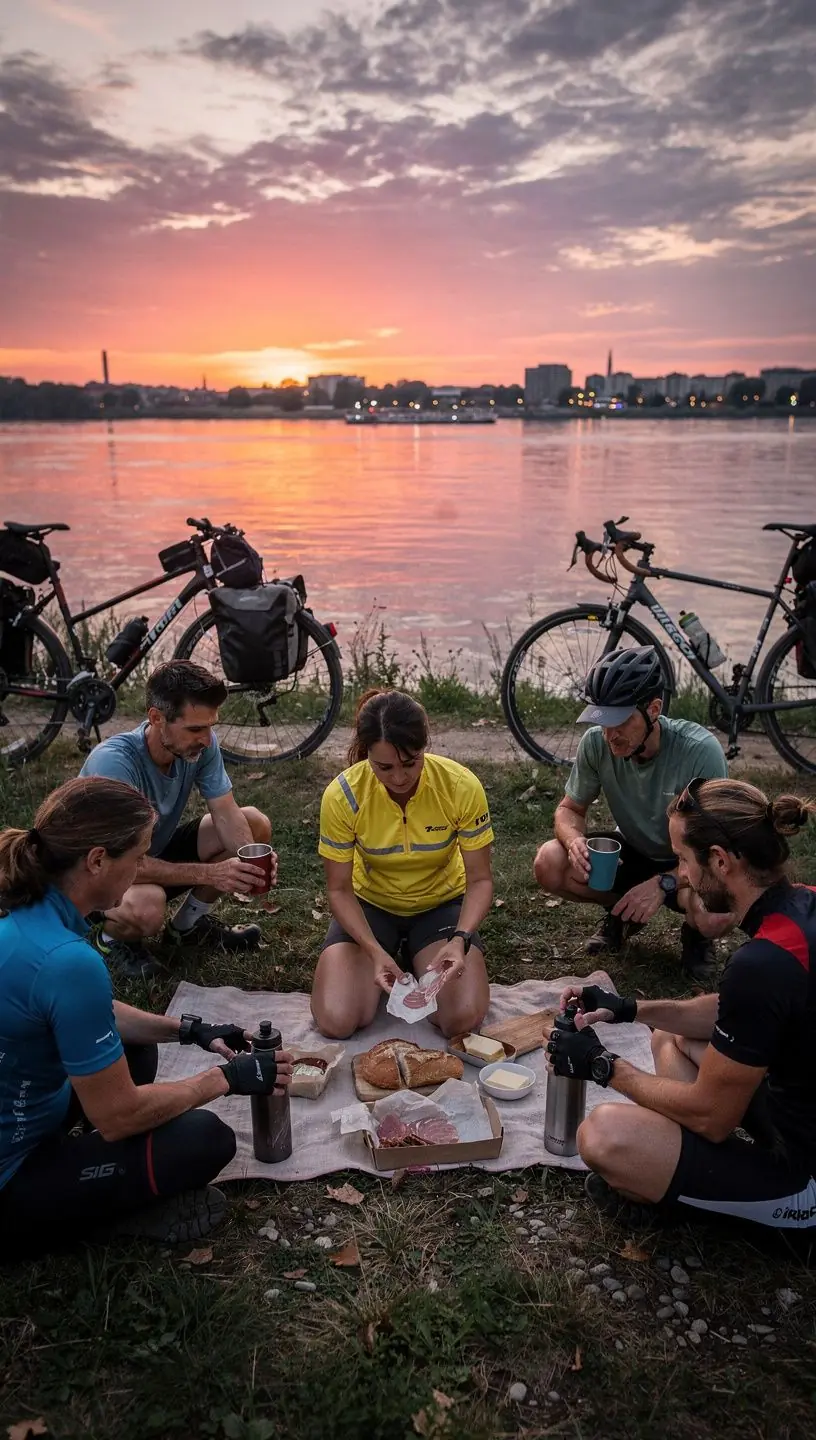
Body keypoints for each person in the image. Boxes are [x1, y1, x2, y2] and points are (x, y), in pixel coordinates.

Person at [0, 777, 292, 1253]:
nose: (141, 870)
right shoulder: (68, 963)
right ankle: (100, 1217)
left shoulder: (31, 911)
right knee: (205, 1140)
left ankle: (86, 1176)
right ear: (97, 861)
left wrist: (189, 1030)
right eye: (136, 858)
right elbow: (117, 1117)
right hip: (11, 1182)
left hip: (28, 1110)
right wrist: (224, 1079)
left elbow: (93, 1014)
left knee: (137, 1048)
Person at [548, 778, 816, 1232]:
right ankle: (696, 1169)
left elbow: (712, 1116)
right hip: (798, 1110)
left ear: (720, 861)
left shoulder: (762, 966)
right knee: (672, 1037)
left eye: (685, 861)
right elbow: (735, 1009)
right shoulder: (802, 905)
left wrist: (601, 1065)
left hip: (805, 1185)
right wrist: (630, 1008)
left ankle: (708, 1191)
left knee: (604, 1136)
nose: (683, 876)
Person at [533, 645, 730, 983]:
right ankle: (621, 914)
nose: (609, 735)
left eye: (620, 722)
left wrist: (663, 882)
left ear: (653, 709)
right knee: (549, 861)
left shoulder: (699, 751)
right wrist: (574, 839)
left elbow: (716, 849)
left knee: (714, 915)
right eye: (602, 721)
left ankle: (696, 937)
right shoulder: (596, 744)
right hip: (633, 851)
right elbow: (569, 809)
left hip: (688, 861)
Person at [311, 689, 495, 1039]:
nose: (398, 777)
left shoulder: (460, 786)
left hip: (442, 907)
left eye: (411, 763)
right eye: (384, 767)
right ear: (366, 754)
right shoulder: (343, 795)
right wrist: (373, 950)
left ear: (425, 747)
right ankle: (389, 959)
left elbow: (480, 881)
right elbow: (338, 889)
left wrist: (460, 939)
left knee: (462, 1020)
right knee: (337, 1019)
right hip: (370, 908)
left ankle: (420, 953)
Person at [80, 660, 275, 977]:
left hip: (148, 855)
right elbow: (123, 862)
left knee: (254, 823)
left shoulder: (200, 745)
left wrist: (251, 860)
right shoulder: (114, 764)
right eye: (196, 728)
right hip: (100, 876)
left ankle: (187, 927)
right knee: (148, 907)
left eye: (211, 726)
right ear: (156, 719)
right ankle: (109, 938)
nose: (206, 738)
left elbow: (226, 811)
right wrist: (212, 874)